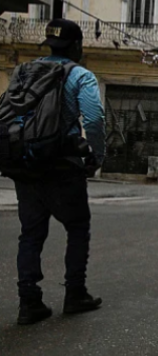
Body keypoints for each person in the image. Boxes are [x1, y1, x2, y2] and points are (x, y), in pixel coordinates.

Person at [5, 19, 106, 326]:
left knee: (31, 234)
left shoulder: (22, 72)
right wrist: (95, 156)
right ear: (76, 47)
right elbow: (94, 118)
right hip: (62, 165)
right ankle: (75, 293)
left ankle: (29, 302)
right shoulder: (80, 75)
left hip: (25, 165)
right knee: (77, 227)